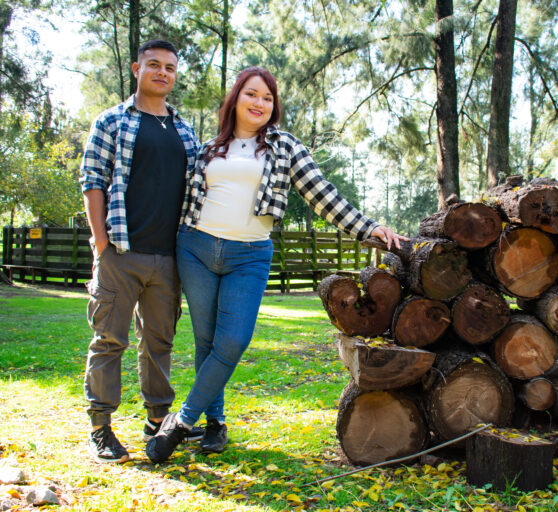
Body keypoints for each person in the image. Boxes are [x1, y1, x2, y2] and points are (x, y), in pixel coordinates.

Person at [145, 66, 406, 462]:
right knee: (206, 342)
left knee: (232, 341)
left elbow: (323, 195)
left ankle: (180, 423)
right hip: (195, 248)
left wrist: (369, 228)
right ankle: (214, 423)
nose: (260, 103)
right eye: (252, 94)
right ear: (236, 99)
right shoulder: (208, 147)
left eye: (268, 98)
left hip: (249, 255)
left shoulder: (284, 147)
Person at [80, 39, 204, 463]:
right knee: (108, 339)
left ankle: (157, 420)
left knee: (159, 342)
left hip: (169, 258)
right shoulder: (112, 120)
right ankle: (100, 427)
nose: (162, 73)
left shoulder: (185, 132)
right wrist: (100, 242)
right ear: (137, 69)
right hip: (121, 251)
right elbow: (92, 181)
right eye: (154, 65)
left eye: (170, 67)